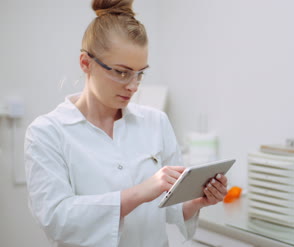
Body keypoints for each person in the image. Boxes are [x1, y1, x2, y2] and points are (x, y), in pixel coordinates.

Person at [24, 1, 228, 246]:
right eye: (122, 72)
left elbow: (171, 209)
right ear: (85, 63)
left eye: (140, 73)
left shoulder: (156, 122)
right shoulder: (47, 133)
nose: (133, 85)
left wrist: (198, 201)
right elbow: (56, 219)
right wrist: (139, 192)